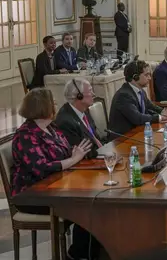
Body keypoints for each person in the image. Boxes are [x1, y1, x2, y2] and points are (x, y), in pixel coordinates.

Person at [10, 88, 100, 259]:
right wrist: (74, 159)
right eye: (52, 102)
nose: (56, 105)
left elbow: (66, 153)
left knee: (95, 202)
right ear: (43, 107)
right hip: (32, 194)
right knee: (86, 206)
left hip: (57, 186)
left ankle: (90, 253)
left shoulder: (52, 128)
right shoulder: (25, 135)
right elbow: (42, 168)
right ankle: (78, 254)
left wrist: (75, 153)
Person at [110, 60, 167, 136]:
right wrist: (161, 117)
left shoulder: (141, 91)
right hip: (123, 139)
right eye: (146, 75)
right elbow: (138, 118)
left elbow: (151, 106)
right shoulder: (124, 95)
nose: (150, 78)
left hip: (137, 133)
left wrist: (164, 111)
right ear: (135, 77)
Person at [55, 79, 104, 159]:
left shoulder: (84, 110)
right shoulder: (65, 122)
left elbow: (95, 137)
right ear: (79, 96)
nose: (93, 94)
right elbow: (83, 153)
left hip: (98, 154)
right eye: (90, 91)